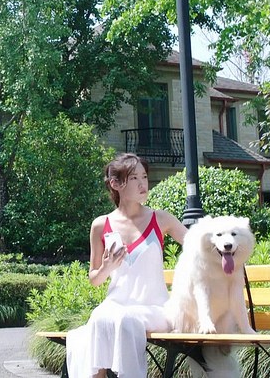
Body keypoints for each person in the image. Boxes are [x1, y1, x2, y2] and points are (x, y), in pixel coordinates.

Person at [66, 153, 187, 378]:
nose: (143, 184)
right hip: (116, 304)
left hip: (156, 308)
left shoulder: (161, 219)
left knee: (126, 320)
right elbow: (94, 279)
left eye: (144, 176)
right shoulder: (101, 225)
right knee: (99, 317)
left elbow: (197, 245)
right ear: (115, 184)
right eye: (134, 178)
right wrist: (107, 267)